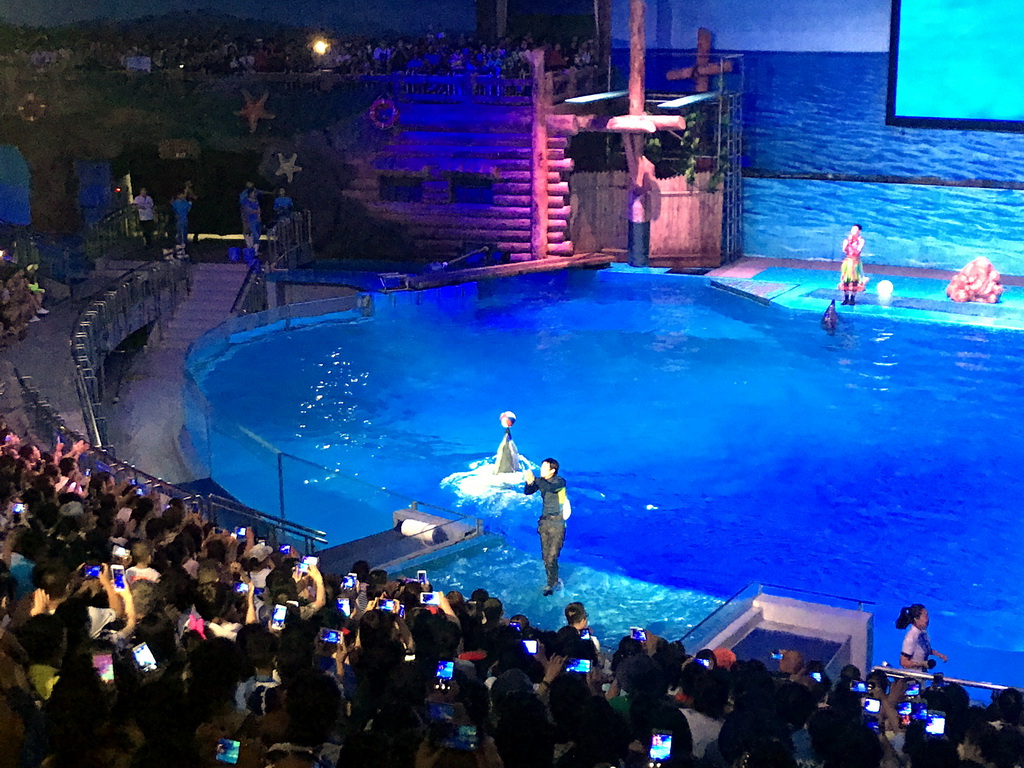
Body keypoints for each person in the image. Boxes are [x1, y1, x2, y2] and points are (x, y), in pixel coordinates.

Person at [524, 458, 568, 596]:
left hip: (557, 524)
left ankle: (553, 582)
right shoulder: (542, 482)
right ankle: (552, 580)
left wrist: (535, 479)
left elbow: (549, 487)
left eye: (544, 468)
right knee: (545, 557)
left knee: (552, 557)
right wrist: (529, 482)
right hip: (545, 522)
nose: (541, 470)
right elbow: (528, 491)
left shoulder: (559, 482)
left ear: (552, 471)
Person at [897, 603, 948, 671]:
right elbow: (903, 662)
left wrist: (940, 655)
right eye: (925, 616)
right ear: (916, 619)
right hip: (911, 677)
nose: (928, 619)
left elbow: (924, 649)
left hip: (921, 675)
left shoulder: (922, 633)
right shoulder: (911, 638)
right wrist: (922, 664)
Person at [838, 224, 867, 305]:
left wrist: (851, 243)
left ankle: (853, 298)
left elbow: (858, 251)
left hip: (855, 262)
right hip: (848, 262)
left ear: (859, 231)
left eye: (855, 229)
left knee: (855, 280)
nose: (853, 231)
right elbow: (844, 250)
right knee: (846, 280)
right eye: (852, 229)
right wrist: (848, 243)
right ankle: (846, 298)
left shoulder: (861, 240)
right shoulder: (846, 240)